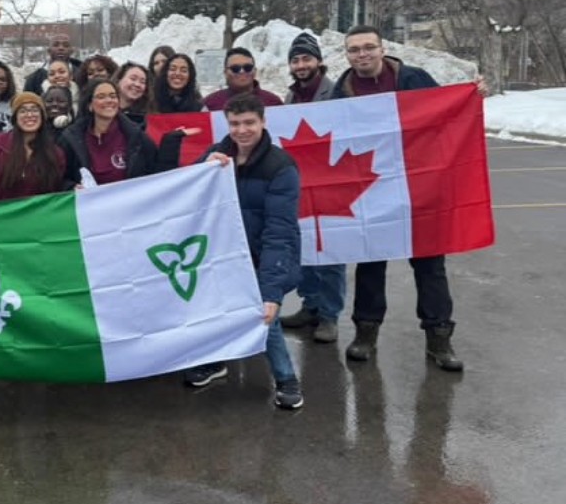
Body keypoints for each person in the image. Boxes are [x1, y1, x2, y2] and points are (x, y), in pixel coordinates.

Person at [331, 24, 470, 370]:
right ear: (347, 55)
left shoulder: (414, 79)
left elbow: (448, 112)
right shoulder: (341, 93)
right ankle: (366, 332)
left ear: (382, 49)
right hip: (372, 190)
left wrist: (471, 96)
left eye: (368, 47)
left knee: (430, 267)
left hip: (418, 188)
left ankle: (439, 338)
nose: (362, 54)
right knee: (370, 265)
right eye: (354, 50)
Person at [189, 93, 304, 410]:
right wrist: (203, 166)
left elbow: (278, 232)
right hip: (223, 252)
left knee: (266, 317)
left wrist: (272, 291)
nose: (242, 130)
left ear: (263, 122)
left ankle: (286, 379)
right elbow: (188, 190)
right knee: (216, 309)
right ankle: (217, 361)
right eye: (235, 123)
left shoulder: (281, 167)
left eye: (249, 123)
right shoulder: (218, 154)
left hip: (261, 253)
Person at [278, 32, 345, 344]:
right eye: (296, 60)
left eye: (306, 58)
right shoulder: (290, 98)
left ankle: (329, 314)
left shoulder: (337, 93)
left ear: (318, 61)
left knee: (333, 252)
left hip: (333, 181)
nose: (301, 65)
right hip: (303, 183)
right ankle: (311, 304)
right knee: (305, 246)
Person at [59, 79, 157, 187]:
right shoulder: (71, 138)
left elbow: (156, 172)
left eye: (113, 96)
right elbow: (58, 178)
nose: (109, 100)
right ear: (90, 105)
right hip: (89, 202)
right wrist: (72, 187)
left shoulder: (137, 136)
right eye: (101, 97)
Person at [0, 92, 66, 202]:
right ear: (15, 118)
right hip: (1, 214)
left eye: (34, 110)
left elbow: (58, 192)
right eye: (23, 111)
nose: (29, 115)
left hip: (38, 216)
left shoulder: (55, 153)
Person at [203, 48, 284, 111]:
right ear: (225, 72)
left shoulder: (273, 102)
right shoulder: (209, 104)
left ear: (255, 71)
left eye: (247, 67)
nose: (242, 71)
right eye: (235, 68)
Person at [112, 61, 153, 128]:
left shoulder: (147, 118)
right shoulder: (105, 111)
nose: (137, 84)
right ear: (119, 80)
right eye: (133, 79)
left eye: (142, 82)